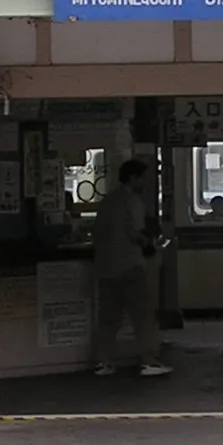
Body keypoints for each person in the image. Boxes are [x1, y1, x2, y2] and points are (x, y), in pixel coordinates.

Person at [92, 159, 171, 377]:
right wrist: (150, 246)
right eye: (144, 178)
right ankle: (149, 360)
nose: (146, 182)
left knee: (108, 318)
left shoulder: (107, 201)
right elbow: (136, 234)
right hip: (130, 266)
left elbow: (97, 232)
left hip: (106, 267)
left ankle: (103, 362)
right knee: (143, 315)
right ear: (134, 178)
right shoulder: (133, 202)